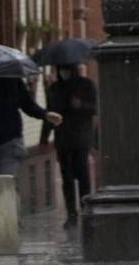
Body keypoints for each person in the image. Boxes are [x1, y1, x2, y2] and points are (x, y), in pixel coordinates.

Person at [40, 64, 97, 228]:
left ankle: (86, 210)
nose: (64, 73)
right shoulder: (55, 88)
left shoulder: (86, 85)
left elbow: (95, 108)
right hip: (63, 139)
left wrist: (80, 105)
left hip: (81, 138)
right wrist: (44, 138)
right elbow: (50, 114)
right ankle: (71, 213)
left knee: (83, 176)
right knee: (67, 178)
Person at [0, 72, 62, 177]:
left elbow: (27, 103)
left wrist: (45, 114)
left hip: (10, 140)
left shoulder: (11, 80)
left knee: (6, 179)